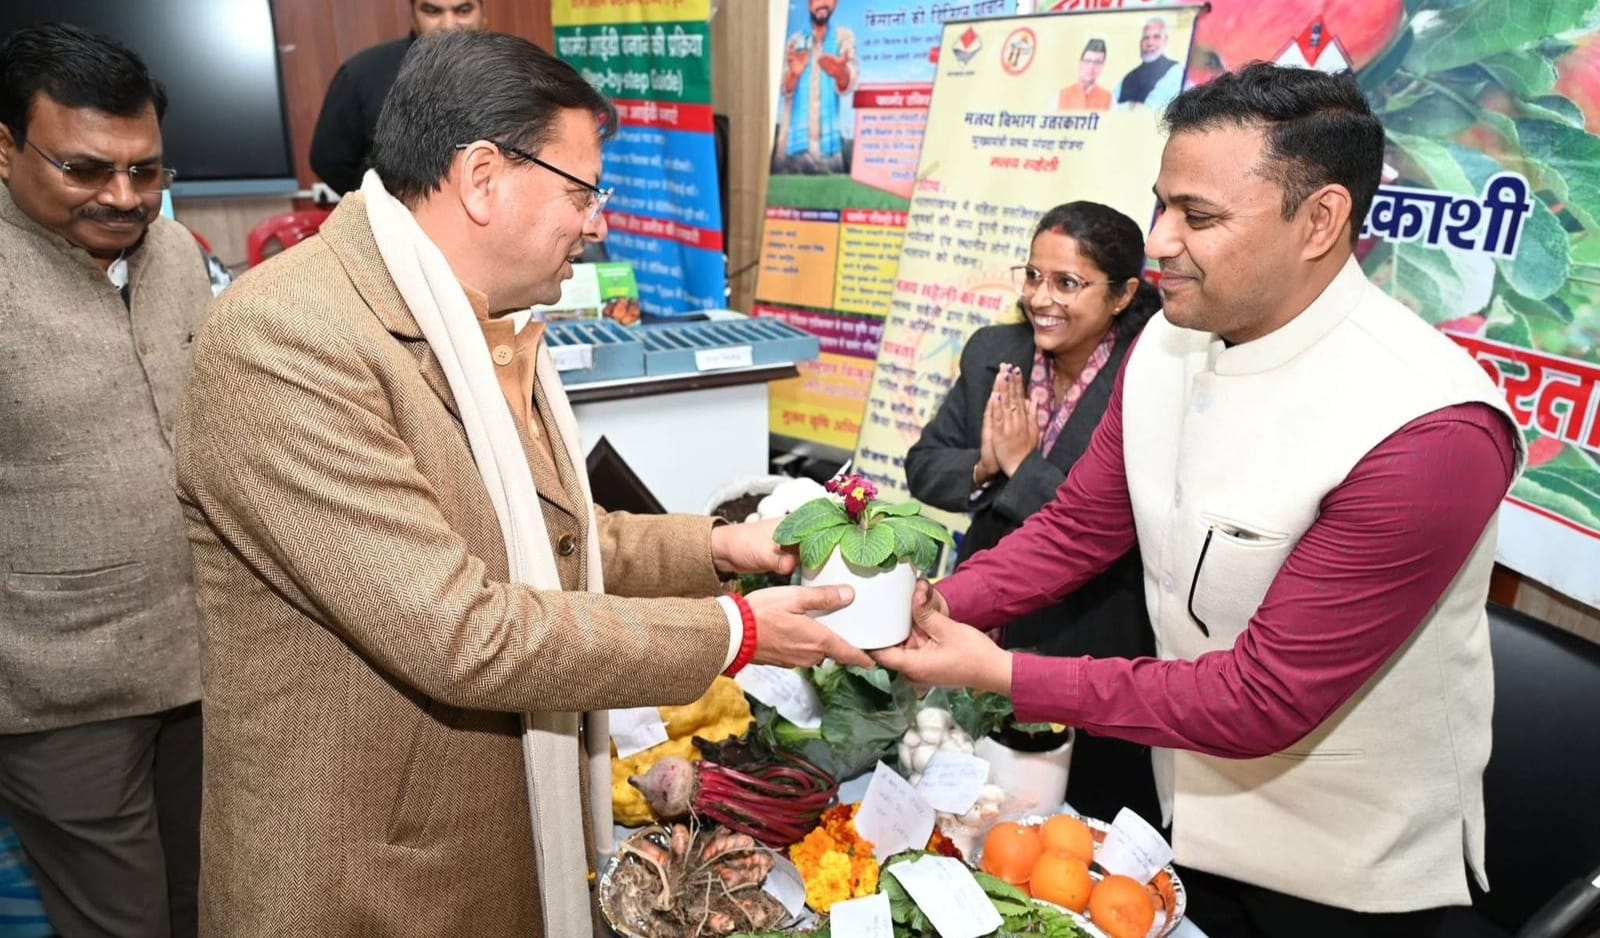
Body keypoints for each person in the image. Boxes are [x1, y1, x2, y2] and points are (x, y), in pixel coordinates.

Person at [175, 30, 870, 938]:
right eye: (583, 192)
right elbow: (459, 629)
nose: (599, 223)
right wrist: (734, 632)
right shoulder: (285, 340)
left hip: (485, 840)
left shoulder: (475, 321)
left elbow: (552, 539)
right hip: (370, 878)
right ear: (482, 178)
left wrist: (721, 547)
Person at [876, 63, 1523, 938]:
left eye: (1199, 216)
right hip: (1181, 811)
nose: (1160, 241)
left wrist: (1002, 673)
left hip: (1341, 872)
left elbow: (1264, 697)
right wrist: (936, 602)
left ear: (1320, 220)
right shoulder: (1169, 346)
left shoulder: (1431, 426)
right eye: (1162, 206)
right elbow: (1077, 530)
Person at [0, 23, 205, 938]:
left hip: (200, 665)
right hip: (56, 695)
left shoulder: (179, 256)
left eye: (145, 171)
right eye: (85, 170)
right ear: (6, 148)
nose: (123, 197)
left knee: (213, 904)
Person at [905, 202, 1159, 824]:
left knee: (1074, 811)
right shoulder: (994, 351)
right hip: (985, 607)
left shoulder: (1150, 376)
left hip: (1092, 626)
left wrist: (1022, 468)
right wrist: (986, 466)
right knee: (973, 798)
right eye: (1033, 276)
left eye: (1067, 283)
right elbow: (924, 465)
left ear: (1123, 294)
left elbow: (1113, 522)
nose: (1041, 298)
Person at [309, 0, 487, 195]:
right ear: (413, 17)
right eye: (432, 11)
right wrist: (381, 202)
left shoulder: (509, 72)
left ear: (482, 15)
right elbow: (329, 162)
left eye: (463, 10)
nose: (448, 24)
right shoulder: (361, 75)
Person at [773, 0, 858, 175]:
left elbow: (849, 79)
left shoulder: (843, 37)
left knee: (830, 190)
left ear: (835, 4)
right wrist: (794, 74)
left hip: (828, 146)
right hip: (792, 143)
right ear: (809, 4)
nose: (823, 3)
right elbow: (784, 89)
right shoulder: (794, 41)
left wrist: (840, 73)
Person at [1115, 17, 1181, 110]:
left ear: (1165, 40)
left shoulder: (1175, 70)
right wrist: (1131, 106)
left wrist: (1130, 107)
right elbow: (1110, 107)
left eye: (1156, 37)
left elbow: (1151, 109)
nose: (1150, 43)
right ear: (1141, 42)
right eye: (1146, 38)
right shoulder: (1129, 77)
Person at [1057, 39, 1112, 111]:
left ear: (1103, 66)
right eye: (1088, 61)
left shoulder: (1109, 99)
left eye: (1097, 62)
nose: (1091, 67)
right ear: (1080, 63)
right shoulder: (1061, 96)